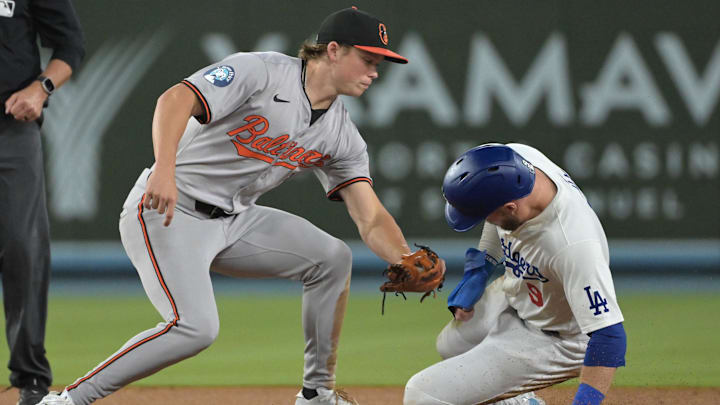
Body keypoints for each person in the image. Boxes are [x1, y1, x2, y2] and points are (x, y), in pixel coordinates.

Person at [38, 7, 420, 405]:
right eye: (368, 59)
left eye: (379, 63)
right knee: (195, 328)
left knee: (333, 259)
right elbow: (175, 99)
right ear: (334, 51)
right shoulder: (260, 72)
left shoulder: (342, 134)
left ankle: (316, 394)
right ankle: (67, 400)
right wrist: (164, 168)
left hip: (235, 220)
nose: (375, 72)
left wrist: (405, 255)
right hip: (168, 208)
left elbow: (369, 215)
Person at [403, 144, 627, 405]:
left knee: (422, 395)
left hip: (558, 338)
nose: (483, 220)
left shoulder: (572, 245)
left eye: (484, 214)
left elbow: (610, 337)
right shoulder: (517, 160)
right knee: (451, 344)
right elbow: (496, 220)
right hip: (522, 295)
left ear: (510, 207)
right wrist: (482, 267)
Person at [0, 1, 84, 404]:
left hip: (9, 128)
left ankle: (31, 379)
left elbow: (70, 46)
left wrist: (40, 88)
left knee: (23, 245)